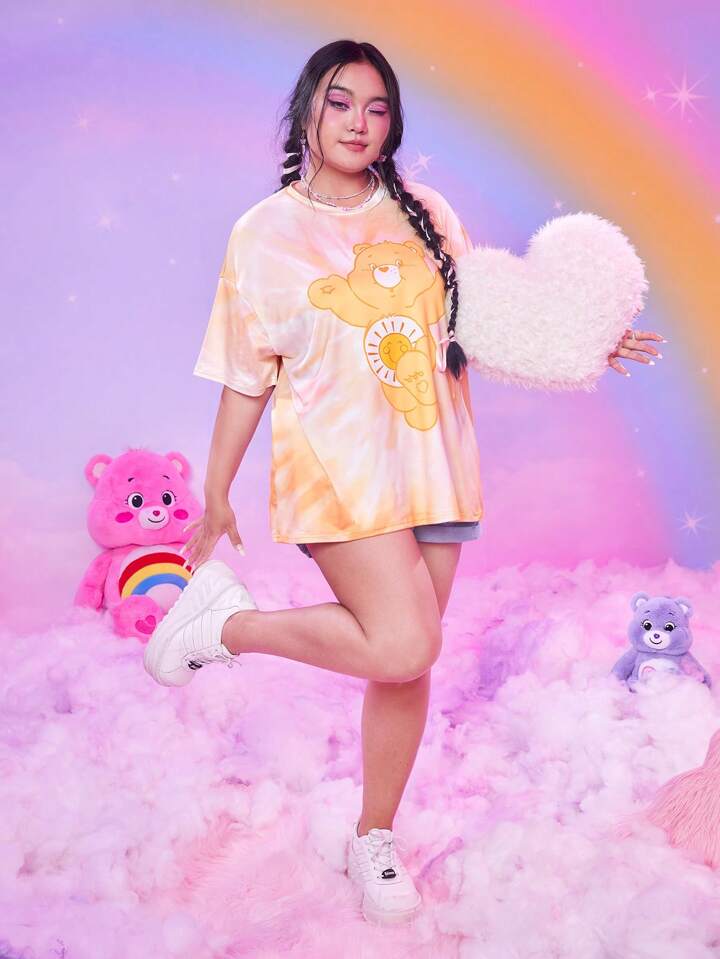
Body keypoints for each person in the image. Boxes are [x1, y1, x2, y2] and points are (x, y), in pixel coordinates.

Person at [143, 39, 663, 926]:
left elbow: (484, 324)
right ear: (307, 110)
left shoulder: (426, 212)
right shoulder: (263, 234)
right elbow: (244, 374)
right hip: (339, 475)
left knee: (407, 658)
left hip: (437, 467)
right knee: (404, 641)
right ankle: (227, 625)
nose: (359, 122)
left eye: (377, 108)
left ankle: (373, 836)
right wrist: (218, 488)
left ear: (393, 125)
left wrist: (585, 339)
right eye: (340, 102)